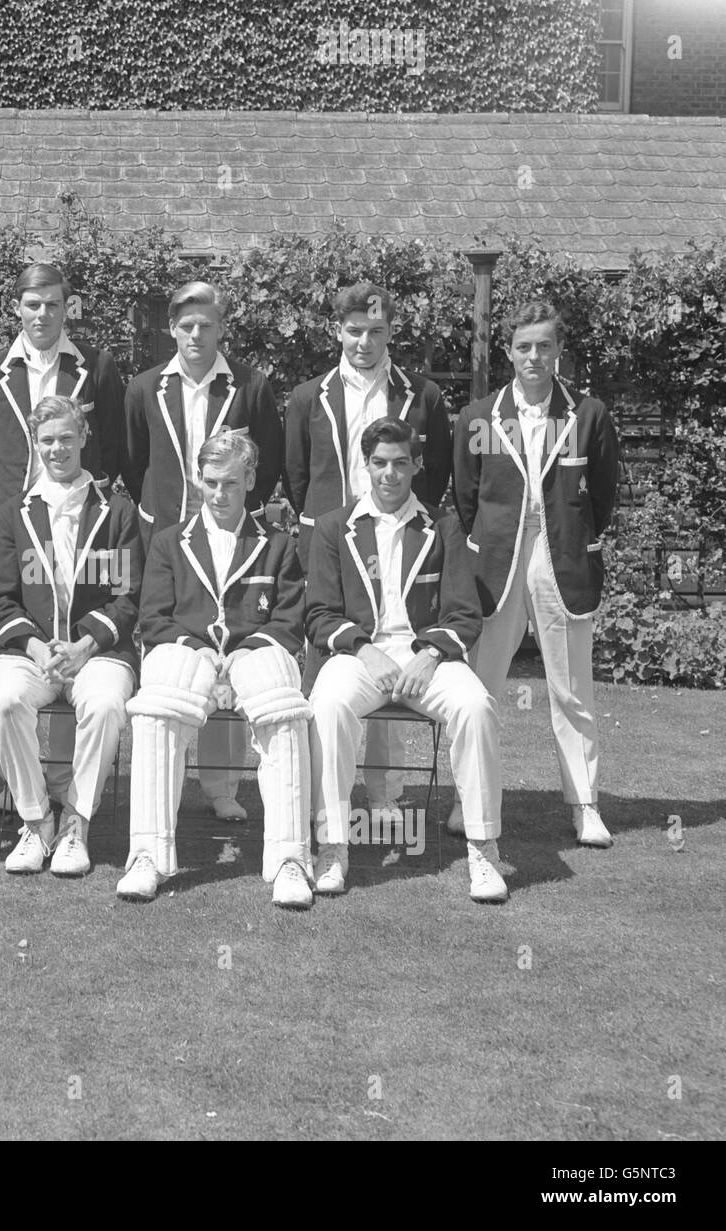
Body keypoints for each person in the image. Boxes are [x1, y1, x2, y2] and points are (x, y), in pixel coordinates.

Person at [305, 418, 506, 902]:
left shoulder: (443, 524)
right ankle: (333, 846)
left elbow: (463, 612)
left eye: (400, 463)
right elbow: (319, 614)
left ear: (416, 465)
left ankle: (484, 849)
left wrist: (431, 653)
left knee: (476, 706)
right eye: (379, 463)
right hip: (360, 655)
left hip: (425, 656)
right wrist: (364, 649)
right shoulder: (335, 527)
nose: (389, 474)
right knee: (328, 706)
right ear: (365, 465)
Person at [118, 431, 315, 908]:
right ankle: (147, 855)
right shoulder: (169, 541)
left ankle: (291, 861)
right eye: (210, 483)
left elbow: (290, 619)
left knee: (281, 701)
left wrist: (248, 651)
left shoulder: (278, 544)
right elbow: (154, 617)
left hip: (254, 652)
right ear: (198, 480)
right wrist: (199, 649)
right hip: (188, 651)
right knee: (159, 700)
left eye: (230, 483)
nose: (219, 494)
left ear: (250, 479)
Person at [452, 301, 620, 848]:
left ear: (558, 351)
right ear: (508, 351)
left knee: (571, 689)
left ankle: (585, 805)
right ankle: (468, 802)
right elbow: (465, 494)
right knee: (480, 689)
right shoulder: (479, 415)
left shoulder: (588, 413)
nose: (534, 356)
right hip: (496, 559)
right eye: (524, 346)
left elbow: (605, 490)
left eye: (544, 346)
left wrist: (573, 535)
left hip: (562, 555)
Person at [284, 280, 454, 819]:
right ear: (338, 330)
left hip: (399, 537)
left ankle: (384, 795)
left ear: (391, 332)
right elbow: (294, 473)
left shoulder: (422, 394)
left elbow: (438, 468)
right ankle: (319, 795)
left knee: (395, 645)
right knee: (329, 660)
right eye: (354, 331)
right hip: (331, 540)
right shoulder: (309, 395)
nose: (365, 342)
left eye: (376, 331)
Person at [123, 280, 283, 822]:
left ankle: (221, 786)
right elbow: (132, 459)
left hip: (229, 537)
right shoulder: (145, 387)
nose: (196, 334)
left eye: (206, 325)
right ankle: (159, 790)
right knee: (172, 648)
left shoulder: (250, 386)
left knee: (229, 638)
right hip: (165, 536)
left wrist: (232, 512)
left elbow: (269, 461)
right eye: (186, 325)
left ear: (221, 328)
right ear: (172, 328)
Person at [0, 262, 126, 812]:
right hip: (17, 523)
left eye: (53, 304)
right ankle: (20, 786)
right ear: (18, 307)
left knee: (75, 624)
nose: (42, 314)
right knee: (19, 647)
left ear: (68, 307)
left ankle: (62, 781)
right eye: (32, 304)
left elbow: (113, 443)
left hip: (82, 519)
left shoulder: (97, 367)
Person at [0, 395, 142, 877]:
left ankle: (77, 822)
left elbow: (126, 597)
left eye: (66, 438)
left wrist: (82, 646)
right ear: (35, 443)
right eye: (48, 440)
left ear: (84, 439)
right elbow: (1, 599)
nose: (58, 449)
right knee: (6, 701)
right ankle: (36, 821)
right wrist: (37, 647)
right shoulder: (14, 511)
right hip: (33, 652)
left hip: (96, 652)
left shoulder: (115, 511)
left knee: (104, 705)